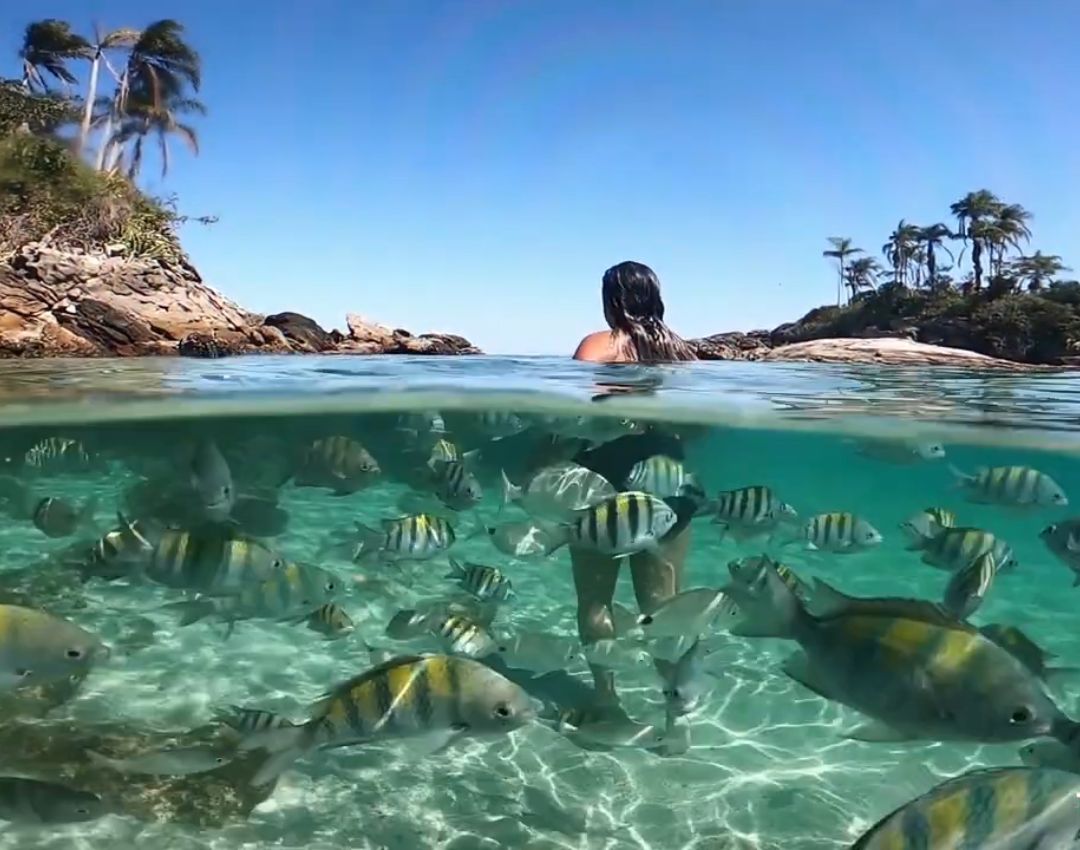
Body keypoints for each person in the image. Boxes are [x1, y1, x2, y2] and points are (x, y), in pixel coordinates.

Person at [568, 261, 699, 727]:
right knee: (663, 608)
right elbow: (696, 426)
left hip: (603, 478)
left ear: (611, 300)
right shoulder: (682, 352)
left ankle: (606, 703)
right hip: (668, 478)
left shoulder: (597, 346)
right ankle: (676, 718)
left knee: (595, 602)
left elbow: (575, 414)